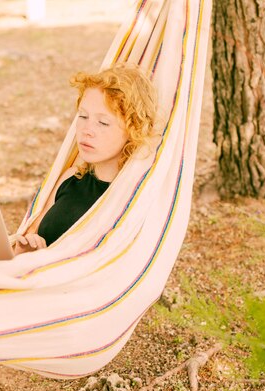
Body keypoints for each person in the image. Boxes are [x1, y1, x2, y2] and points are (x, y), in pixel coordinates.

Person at [13, 63, 158, 255]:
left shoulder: (132, 197)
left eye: (103, 122)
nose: (86, 130)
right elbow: (31, 236)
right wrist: (24, 250)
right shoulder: (71, 178)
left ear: (133, 130)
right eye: (83, 116)